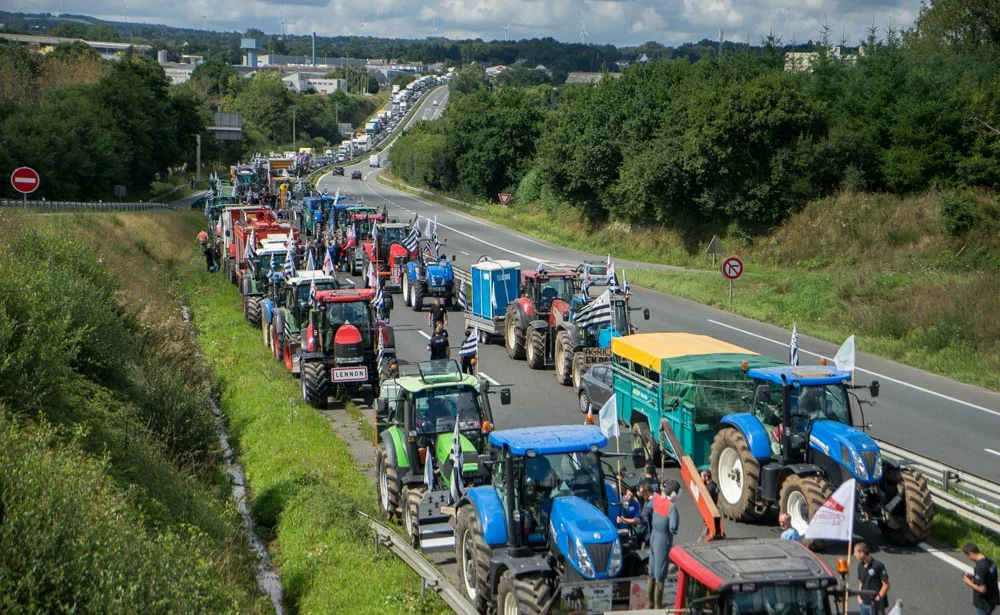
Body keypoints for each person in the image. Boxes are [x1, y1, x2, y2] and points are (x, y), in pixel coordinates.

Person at [647, 479, 680, 609]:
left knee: (652, 570)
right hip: (663, 539)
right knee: (660, 573)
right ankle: (657, 605)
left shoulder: (656, 499)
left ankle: (649, 601)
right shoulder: (672, 507)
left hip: (654, 536)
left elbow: (648, 507)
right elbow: (673, 527)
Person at [962, 542, 999, 615]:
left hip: (984, 603)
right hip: (992, 599)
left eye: (967, 556)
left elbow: (982, 589)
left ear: (971, 554)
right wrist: (974, 576)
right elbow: (987, 577)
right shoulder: (990, 561)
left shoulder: (979, 568)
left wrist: (968, 583)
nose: (968, 558)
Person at [854, 542, 890, 615]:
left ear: (862, 553)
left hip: (876, 605)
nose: (854, 554)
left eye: (855, 552)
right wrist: (859, 596)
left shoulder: (878, 565)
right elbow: (862, 582)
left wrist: (878, 598)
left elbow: (886, 585)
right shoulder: (860, 566)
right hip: (863, 603)